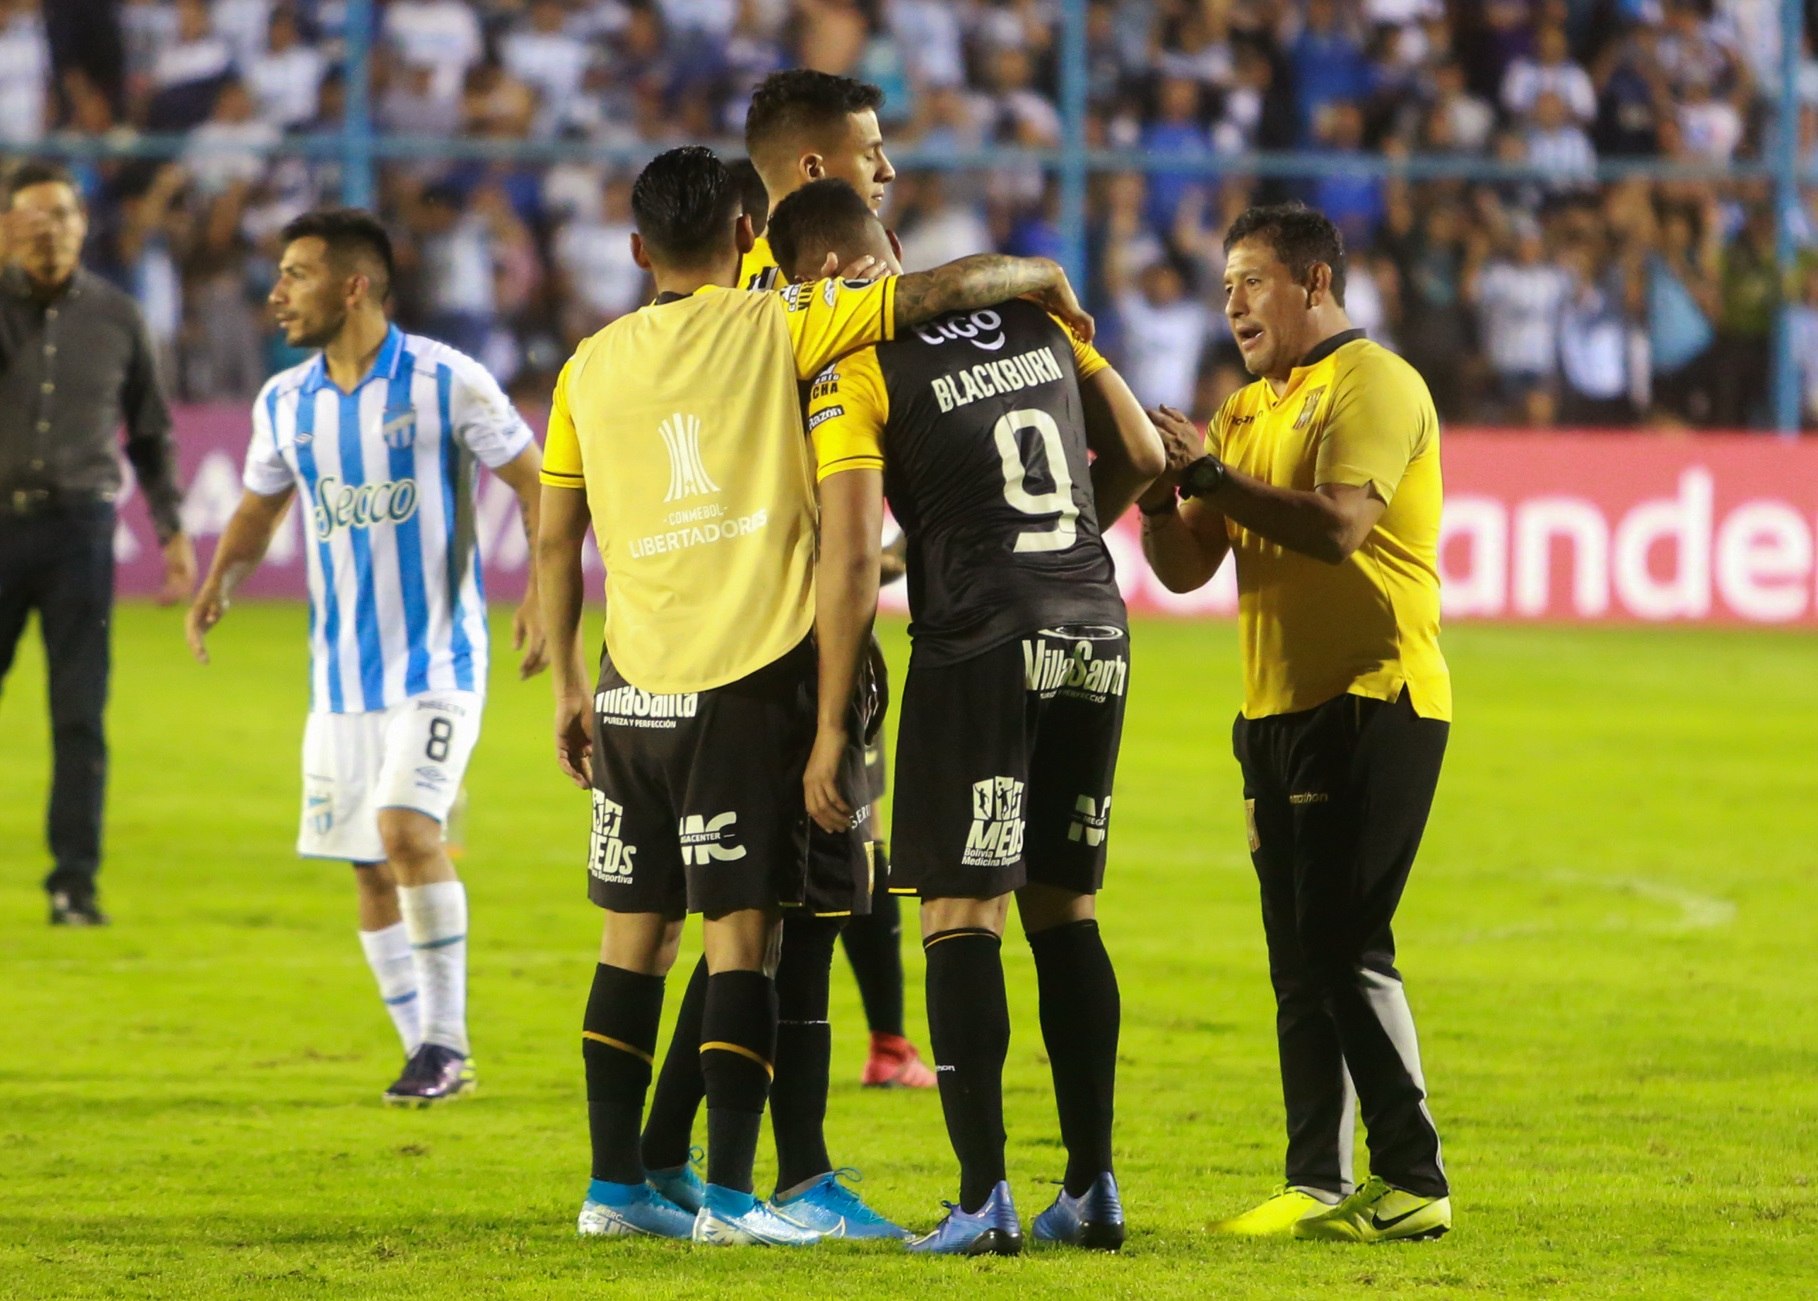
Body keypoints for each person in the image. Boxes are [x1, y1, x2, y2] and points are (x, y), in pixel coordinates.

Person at [535, 145, 1093, 1246]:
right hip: (744, 679)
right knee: (746, 941)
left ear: (638, 249)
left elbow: (555, 537)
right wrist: (1034, 273)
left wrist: (566, 681)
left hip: (629, 682)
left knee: (631, 941)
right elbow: (936, 289)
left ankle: (617, 1188)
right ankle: (737, 1201)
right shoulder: (782, 324)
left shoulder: (585, 368)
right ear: (750, 237)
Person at [769, 178, 1163, 1254]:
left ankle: (982, 1196)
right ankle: (1092, 1187)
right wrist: (1067, 542)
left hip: (979, 644)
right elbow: (1141, 449)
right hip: (1092, 622)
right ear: (889, 246)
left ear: (817, 281)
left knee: (960, 913)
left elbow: (850, 555)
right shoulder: (1040, 321)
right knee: (1065, 910)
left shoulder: (853, 364)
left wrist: (830, 725)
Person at [634, 67, 929, 1250]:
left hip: (730, 630)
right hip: (790, 646)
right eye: (871, 152)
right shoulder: (797, 299)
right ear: (813, 170)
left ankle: (660, 1157)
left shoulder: (708, 296)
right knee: (789, 915)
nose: (887, 170)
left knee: (753, 919)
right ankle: (791, 1177)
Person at [1138, 202, 1453, 1244]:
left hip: (1374, 694)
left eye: (1252, 280)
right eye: (1226, 285)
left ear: (1315, 283)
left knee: (1341, 939)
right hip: (1270, 710)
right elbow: (1190, 562)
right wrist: (1156, 492)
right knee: (1296, 953)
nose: (1232, 303)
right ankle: (1317, 1175)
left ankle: (1413, 1176)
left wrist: (1210, 475)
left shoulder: (1375, 382)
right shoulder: (1241, 410)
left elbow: (1338, 527)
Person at [184, 208, 547, 1106]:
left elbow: (539, 483)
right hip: (340, 678)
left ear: (353, 286)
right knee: (367, 863)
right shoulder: (285, 401)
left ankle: (447, 1044)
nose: (276, 293)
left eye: (296, 275)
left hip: (440, 663)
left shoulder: (445, 380)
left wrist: (543, 590)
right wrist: (218, 581)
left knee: (405, 832)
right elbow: (263, 506)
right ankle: (424, 1051)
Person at [0, 158, 195, 927]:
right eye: (33, 216)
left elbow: (151, 432)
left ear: (85, 225)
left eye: (63, 215)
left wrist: (173, 530)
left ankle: (73, 884)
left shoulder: (119, 317)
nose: (51, 229)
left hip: (80, 529)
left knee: (79, 714)